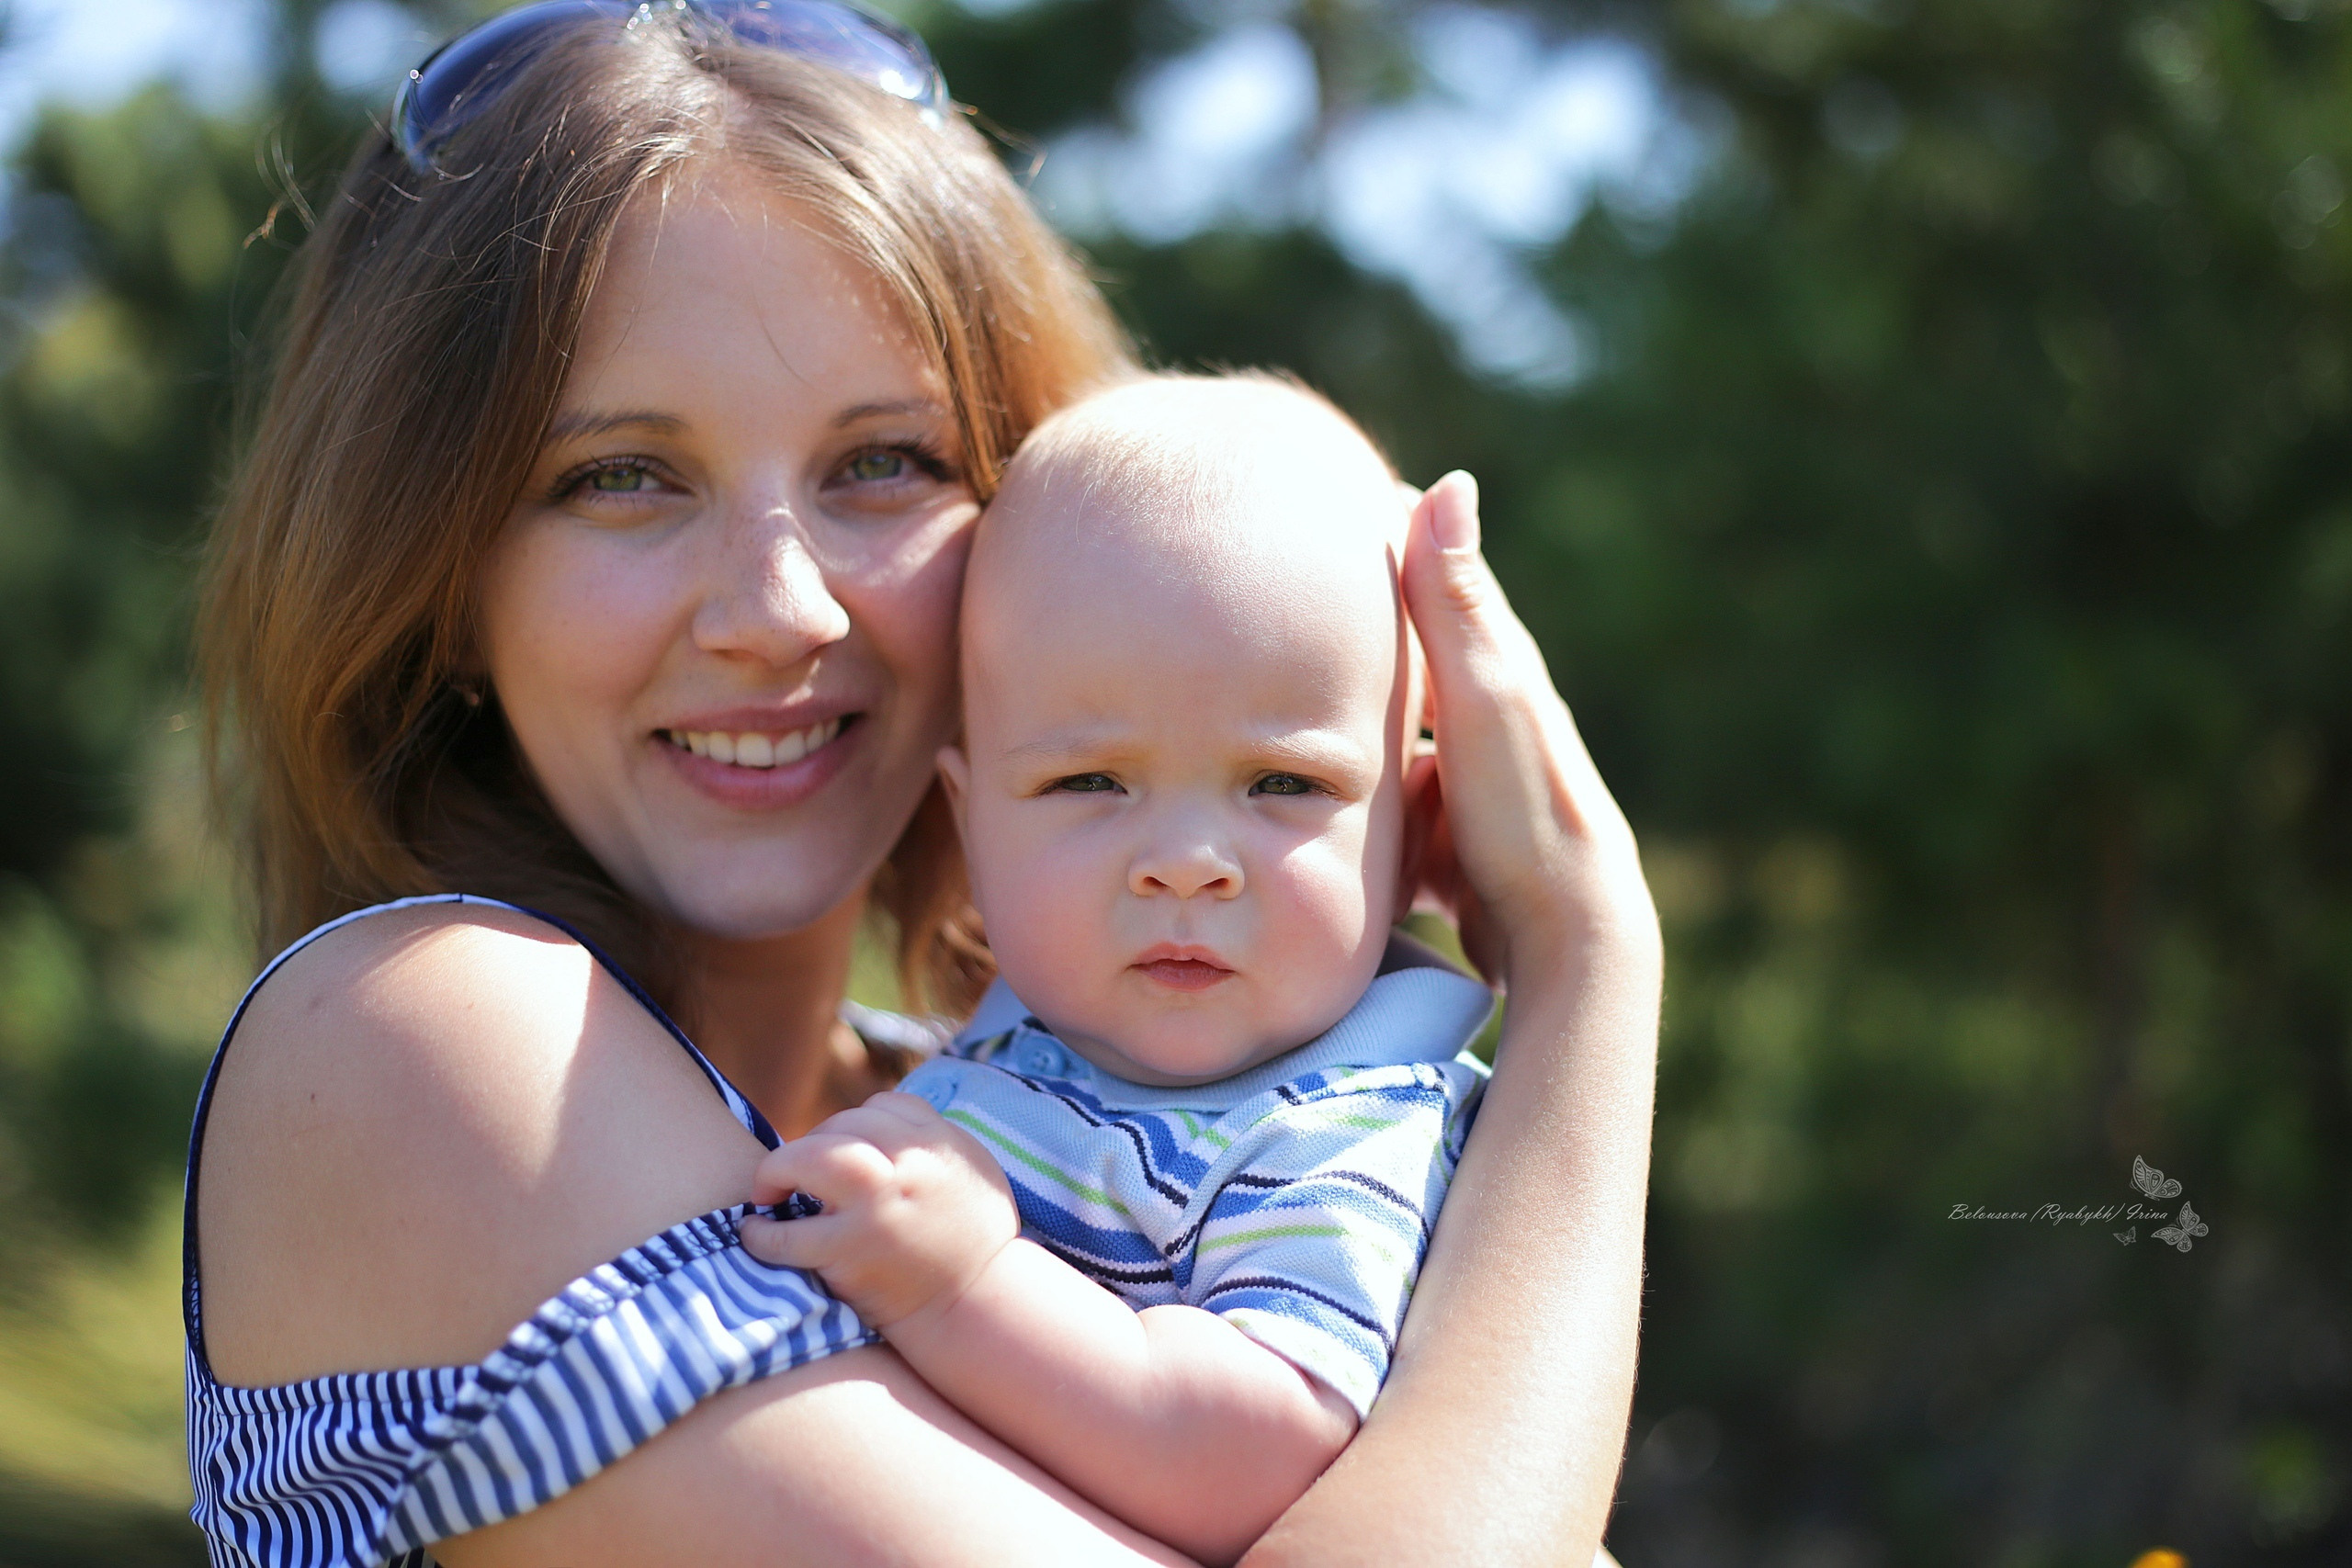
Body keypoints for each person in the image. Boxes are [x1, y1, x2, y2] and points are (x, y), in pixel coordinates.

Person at [187, 2, 1663, 1565]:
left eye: (882, 462)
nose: (780, 610)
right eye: (621, 476)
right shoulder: (429, 1038)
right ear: (442, 578)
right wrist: (1582, 975)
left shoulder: (1041, 1118)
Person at [740, 374, 1493, 1565]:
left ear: (1412, 838)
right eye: (1090, 783)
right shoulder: (1007, 1050)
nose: (1187, 864)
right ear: (972, 820)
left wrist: (966, 1283)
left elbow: (1256, 1456)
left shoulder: (1345, 1130)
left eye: (1283, 785)